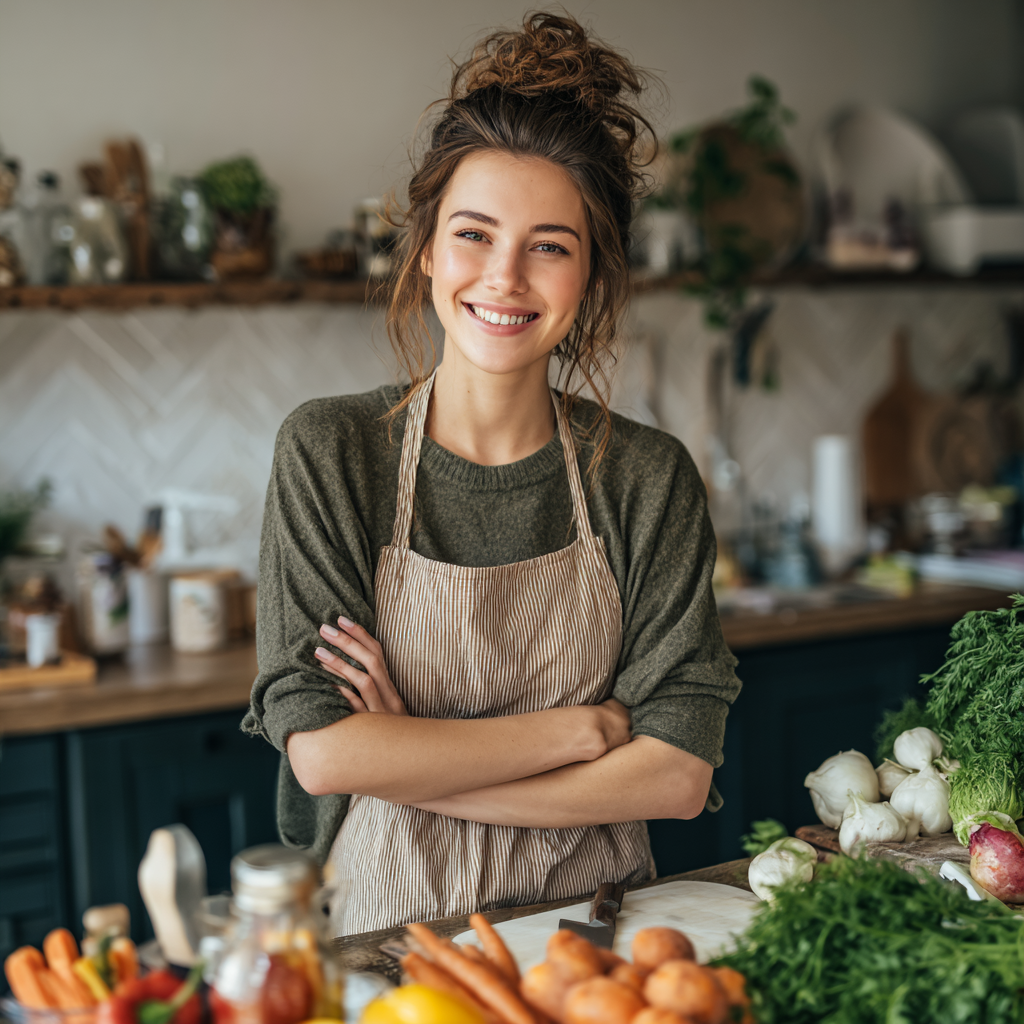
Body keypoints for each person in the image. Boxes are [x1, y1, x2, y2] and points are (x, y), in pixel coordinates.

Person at [243, 12, 741, 937]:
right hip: (387, 945)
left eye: (550, 245)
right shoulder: (332, 451)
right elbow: (322, 753)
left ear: (590, 276)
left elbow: (676, 776)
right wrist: (581, 732)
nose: (505, 277)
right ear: (427, 247)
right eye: (474, 234)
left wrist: (417, 763)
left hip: (602, 937)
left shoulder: (647, 477)